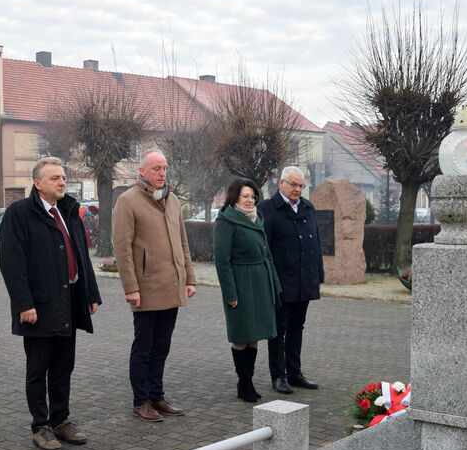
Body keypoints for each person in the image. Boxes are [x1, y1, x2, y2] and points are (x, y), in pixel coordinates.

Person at [0, 157, 102, 450]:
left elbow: (82, 255)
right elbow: (11, 263)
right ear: (38, 183)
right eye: (55, 178)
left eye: (63, 178)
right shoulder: (20, 214)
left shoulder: (69, 212)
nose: (62, 182)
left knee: (63, 367)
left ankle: (60, 420)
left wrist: (90, 294)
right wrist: (23, 303)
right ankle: (40, 425)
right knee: (38, 369)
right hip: (38, 307)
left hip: (68, 302)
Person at [112, 149, 196, 422]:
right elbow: (122, 248)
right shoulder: (128, 201)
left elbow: (183, 243)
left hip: (171, 285)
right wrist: (130, 288)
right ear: (143, 171)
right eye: (156, 168)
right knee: (143, 346)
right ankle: (141, 401)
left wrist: (190, 278)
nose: (162, 173)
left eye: (164, 168)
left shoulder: (172, 201)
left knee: (162, 345)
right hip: (145, 289)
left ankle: (157, 396)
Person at [213, 179, 283, 402]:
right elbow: (222, 261)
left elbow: (267, 253)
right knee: (242, 334)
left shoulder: (257, 218)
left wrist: (274, 284)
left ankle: (248, 380)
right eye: (246, 196)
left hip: (260, 281)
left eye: (253, 196)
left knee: (254, 335)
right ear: (235, 197)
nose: (251, 200)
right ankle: (243, 382)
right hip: (241, 282)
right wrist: (230, 294)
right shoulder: (226, 220)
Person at [258, 165, 323, 394]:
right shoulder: (267, 209)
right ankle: (279, 376)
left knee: (298, 327)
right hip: (280, 281)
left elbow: (316, 244)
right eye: (294, 185)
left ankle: (295, 373)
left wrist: (318, 275)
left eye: (301, 186)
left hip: (304, 280)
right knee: (278, 329)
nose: (298, 189)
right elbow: (263, 249)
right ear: (281, 183)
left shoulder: (307, 207)